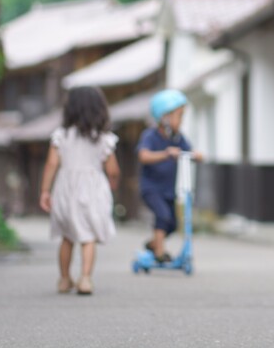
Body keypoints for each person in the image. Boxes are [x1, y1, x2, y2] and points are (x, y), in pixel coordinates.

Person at [39, 86, 120, 296]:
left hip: (66, 189)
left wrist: (45, 191)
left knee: (67, 236)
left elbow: (51, 164)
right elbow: (112, 169)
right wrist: (113, 181)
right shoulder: (102, 137)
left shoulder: (61, 135)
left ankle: (64, 279)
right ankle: (85, 279)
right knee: (88, 236)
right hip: (92, 189)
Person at [137, 89, 202, 263]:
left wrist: (196, 155)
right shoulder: (150, 136)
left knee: (173, 224)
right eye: (178, 116)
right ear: (164, 117)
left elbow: (189, 150)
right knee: (163, 216)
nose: (181, 121)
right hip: (151, 188)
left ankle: (154, 243)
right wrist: (165, 154)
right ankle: (159, 253)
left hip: (168, 190)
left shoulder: (178, 138)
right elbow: (143, 156)